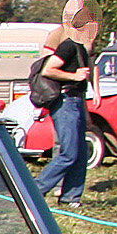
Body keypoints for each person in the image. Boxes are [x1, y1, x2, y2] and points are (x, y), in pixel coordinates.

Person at [36, 12, 101, 208]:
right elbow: (49, 69)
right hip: (65, 101)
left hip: (76, 101)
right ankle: (35, 190)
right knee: (69, 153)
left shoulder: (83, 49)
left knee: (81, 152)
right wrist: (74, 76)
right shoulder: (69, 46)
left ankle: (71, 197)